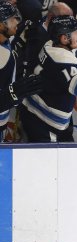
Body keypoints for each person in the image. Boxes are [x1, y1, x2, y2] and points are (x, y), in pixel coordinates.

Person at [0, 1, 43, 140]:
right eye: (12, 19)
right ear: (1, 25)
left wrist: (21, 41)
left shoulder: (5, 42)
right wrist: (11, 96)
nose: (17, 21)